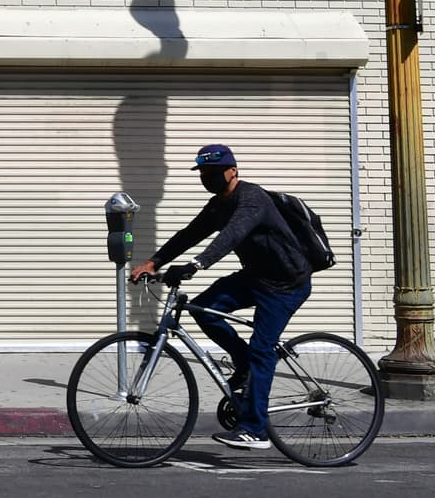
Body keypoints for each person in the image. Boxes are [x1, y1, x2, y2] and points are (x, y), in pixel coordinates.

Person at [129, 144, 312, 450]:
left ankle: (255, 430)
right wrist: (154, 262)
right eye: (203, 173)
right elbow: (189, 234)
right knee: (203, 308)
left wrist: (196, 265)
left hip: (286, 285)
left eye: (213, 173)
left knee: (262, 349)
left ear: (233, 171)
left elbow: (231, 236)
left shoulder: (252, 198)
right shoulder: (218, 206)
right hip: (255, 277)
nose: (207, 178)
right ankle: (244, 364)